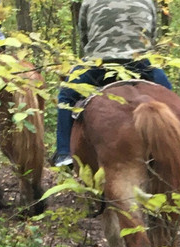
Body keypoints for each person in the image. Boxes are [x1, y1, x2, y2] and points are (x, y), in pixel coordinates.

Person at [52, 0, 173, 168]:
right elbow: (151, 36)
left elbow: (85, 37)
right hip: (138, 63)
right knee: (169, 95)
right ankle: (175, 146)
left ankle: (64, 152)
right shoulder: (147, 1)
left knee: (66, 94)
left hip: (99, 64)